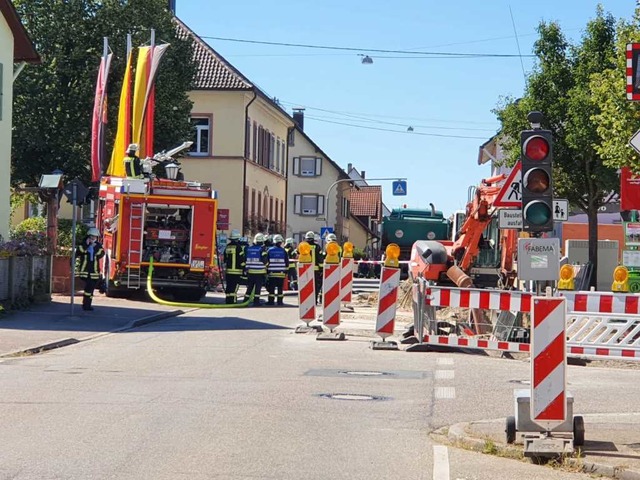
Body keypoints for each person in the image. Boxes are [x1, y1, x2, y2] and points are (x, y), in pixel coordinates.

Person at [75, 227, 105, 311]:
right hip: (85, 271)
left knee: (90, 290)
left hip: (94, 271)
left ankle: (87, 304)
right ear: (88, 236)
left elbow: (101, 253)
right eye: (92, 236)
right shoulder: (83, 244)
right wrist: (87, 245)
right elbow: (79, 251)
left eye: (95, 237)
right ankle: (86, 305)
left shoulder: (98, 245)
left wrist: (94, 247)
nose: (93, 238)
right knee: (88, 289)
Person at [244, 233, 268, 306]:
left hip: (250, 271)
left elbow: (245, 259)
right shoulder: (262, 249)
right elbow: (264, 261)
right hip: (260, 272)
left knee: (250, 287)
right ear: (262, 241)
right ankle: (256, 301)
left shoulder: (249, 248)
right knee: (258, 288)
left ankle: (245, 300)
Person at [223, 230, 245, 304]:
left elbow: (225, 258)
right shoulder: (239, 247)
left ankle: (228, 300)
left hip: (228, 271)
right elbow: (241, 259)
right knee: (234, 287)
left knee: (229, 286)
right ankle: (233, 301)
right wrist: (244, 268)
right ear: (237, 239)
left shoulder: (228, 246)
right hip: (237, 271)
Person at [266, 234, 289, 305]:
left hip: (272, 273)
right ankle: (280, 301)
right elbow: (287, 262)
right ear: (280, 242)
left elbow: (267, 261)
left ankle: (271, 301)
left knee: (272, 288)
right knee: (280, 288)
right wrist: (286, 272)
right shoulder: (284, 251)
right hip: (281, 273)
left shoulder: (269, 250)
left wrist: (267, 271)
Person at [304, 231, 324, 304]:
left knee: (305, 286)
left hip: (304, 270)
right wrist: (321, 269)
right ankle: (314, 300)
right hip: (315, 271)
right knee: (315, 286)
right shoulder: (317, 247)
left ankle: (305, 301)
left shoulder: (303, 246)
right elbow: (320, 259)